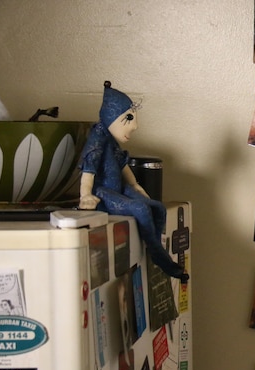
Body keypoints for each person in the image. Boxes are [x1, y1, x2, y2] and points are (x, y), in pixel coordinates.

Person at [78, 81, 188, 282]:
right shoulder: (97, 140)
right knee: (141, 210)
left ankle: (153, 246)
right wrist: (85, 195)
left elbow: (122, 165)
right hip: (103, 192)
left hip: (120, 188)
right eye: (128, 119)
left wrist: (136, 185)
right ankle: (159, 257)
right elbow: (88, 170)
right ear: (112, 118)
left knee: (158, 207)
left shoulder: (111, 139)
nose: (134, 126)